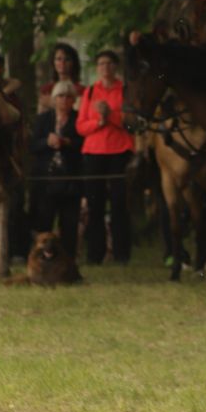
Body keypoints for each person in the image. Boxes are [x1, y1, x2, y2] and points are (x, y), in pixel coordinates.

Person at [76, 50, 132, 265]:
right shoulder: (90, 91)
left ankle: (121, 254)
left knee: (119, 204)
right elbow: (80, 126)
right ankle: (94, 254)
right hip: (94, 152)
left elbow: (130, 122)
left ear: (115, 67)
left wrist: (111, 115)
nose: (105, 67)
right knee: (94, 205)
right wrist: (98, 123)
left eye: (109, 63)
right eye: (101, 63)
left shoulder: (124, 90)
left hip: (119, 150)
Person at [30, 81, 84, 258]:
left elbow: (83, 143)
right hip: (46, 179)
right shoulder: (43, 119)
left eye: (69, 96)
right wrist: (47, 141)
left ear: (73, 100)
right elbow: (32, 145)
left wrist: (67, 142)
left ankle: (68, 259)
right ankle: (41, 257)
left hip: (70, 180)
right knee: (44, 221)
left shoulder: (79, 119)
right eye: (61, 96)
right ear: (54, 99)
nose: (64, 100)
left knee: (69, 223)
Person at [37, 43, 83, 113]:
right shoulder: (46, 89)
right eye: (59, 59)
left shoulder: (81, 90)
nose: (62, 62)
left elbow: (80, 113)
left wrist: (52, 103)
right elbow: (40, 115)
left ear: (73, 63)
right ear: (53, 62)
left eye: (67, 59)